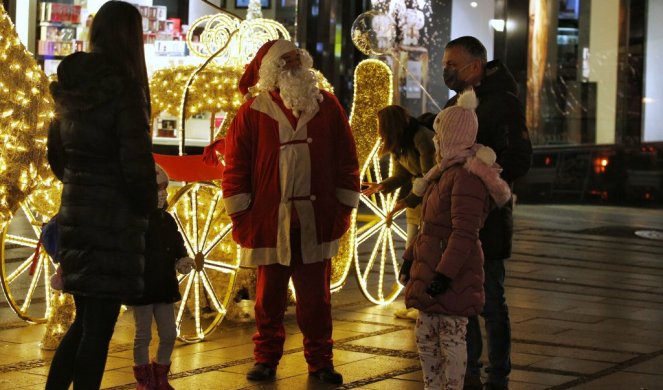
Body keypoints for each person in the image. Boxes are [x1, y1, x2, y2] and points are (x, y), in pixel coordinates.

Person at [220, 39, 360, 385]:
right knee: (268, 300)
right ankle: (265, 358)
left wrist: (343, 207)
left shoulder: (327, 106)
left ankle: (321, 361)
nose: (294, 65)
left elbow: (346, 158)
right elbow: (236, 168)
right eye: (286, 61)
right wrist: (242, 215)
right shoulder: (253, 111)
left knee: (316, 301)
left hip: (316, 219)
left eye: (298, 59)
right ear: (272, 70)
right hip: (270, 219)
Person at [45, 2, 158, 389]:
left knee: (85, 322)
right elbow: (136, 164)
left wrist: (82, 181)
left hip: (77, 216)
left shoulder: (71, 86)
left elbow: (56, 157)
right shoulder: (126, 90)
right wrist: (149, 206)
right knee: (98, 330)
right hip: (113, 225)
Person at [400, 89, 512, 390]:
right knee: (426, 337)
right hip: (432, 265)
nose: (435, 141)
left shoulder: (465, 177)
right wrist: (410, 257)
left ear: (450, 136)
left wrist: (443, 275)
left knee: (450, 338)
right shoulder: (444, 172)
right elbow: (429, 225)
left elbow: (464, 232)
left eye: (439, 134)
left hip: (451, 271)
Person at [441, 36, 533, 390]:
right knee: (463, 300)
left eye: (452, 64)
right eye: (445, 64)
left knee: (491, 301)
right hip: (456, 217)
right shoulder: (458, 102)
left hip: (489, 218)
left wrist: (483, 178)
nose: (447, 70)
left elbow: (519, 158)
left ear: (474, 66)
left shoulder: (502, 104)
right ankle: (469, 372)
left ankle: (498, 374)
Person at [124, 164, 195, 390]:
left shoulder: (167, 220)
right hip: (143, 289)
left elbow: (177, 247)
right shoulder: (133, 223)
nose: (162, 194)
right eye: (157, 189)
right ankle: (144, 380)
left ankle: (161, 373)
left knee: (169, 333)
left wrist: (183, 260)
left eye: (164, 188)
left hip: (164, 286)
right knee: (142, 335)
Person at [361, 105, 435, 321]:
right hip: (416, 201)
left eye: (379, 126)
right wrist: (381, 186)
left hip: (430, 201)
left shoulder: (421, 138)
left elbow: (429, 177)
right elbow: (402, 175)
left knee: (422, 254)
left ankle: (423, 303)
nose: (378, 130)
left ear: (389, 125)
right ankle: (414, 302)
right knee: (412, 252)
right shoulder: (398, 143)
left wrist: (405, 202)